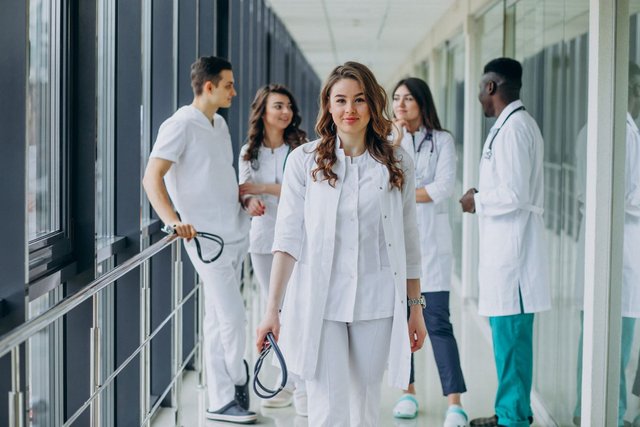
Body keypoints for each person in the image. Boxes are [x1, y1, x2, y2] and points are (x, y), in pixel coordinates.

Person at [255, 61, 427, 426]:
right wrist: (272, 309)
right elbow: (287, 239)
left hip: (377, 300)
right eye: (341, 100)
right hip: (321, 301)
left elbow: (409, 240)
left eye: (360, 100)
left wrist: (415, 307)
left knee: (364, 406)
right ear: (328, 106)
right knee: (325, 408)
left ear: (373, 105)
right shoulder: (304, 161)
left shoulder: (398, 163)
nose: (350, 110)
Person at [142, 56, 258, 424]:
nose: (234, 91)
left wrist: (244, 202)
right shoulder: (179, 125)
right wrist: (174, 221)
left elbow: (219, 176)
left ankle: (221, 399)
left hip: (233, 231)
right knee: (234, 317)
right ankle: (237, 379)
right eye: (228, 85)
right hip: (206, 240)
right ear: (208, 87)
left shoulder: (218, 124)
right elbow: (152, 178)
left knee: (217, 318)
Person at [459, 57, 550, 427]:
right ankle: (514, 412)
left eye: (482, 89)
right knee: (508, 345)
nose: (480, 96)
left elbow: (513, 193)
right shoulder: (509, 126)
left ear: (492, 87)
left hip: (514, 262)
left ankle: (513, 419)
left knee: (511, 345)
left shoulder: (514, 129)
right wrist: (482, 193)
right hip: (505, 256)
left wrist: (475, 201)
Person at [391, 77, 468, 426]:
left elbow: (444, 187)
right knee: (402, 323)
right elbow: (385, 183)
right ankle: (408, 392)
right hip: (398, 246)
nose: (401, 105)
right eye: (396, 99)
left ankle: (455, 402)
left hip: (433, 248)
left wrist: (407, 190)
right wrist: (396, 142)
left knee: (437, 323)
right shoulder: (388, 142)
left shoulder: (443, 140)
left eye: (408, 98)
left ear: (423, 103)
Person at [572, 62, 640, 427]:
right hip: (620, 253)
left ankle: (591, 410)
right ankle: (607, 415)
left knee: (601, 339)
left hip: (612, 250)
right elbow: (622, 198)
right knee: (616, 342)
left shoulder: (601, 129)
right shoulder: (620, 132)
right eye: (636, 85)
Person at [237, 84, 308, 415]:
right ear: (262, 112)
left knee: (296, 309)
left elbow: (302, 192)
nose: (286, 112)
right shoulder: (248, 152)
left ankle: (297, 380)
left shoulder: (302, 150)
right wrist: (251, 201)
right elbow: (244, 192)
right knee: (275, 311)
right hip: (264, 241)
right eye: (278, 106)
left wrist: (262, 188)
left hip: (298, 241)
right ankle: (286, 376)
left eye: (289, 106)